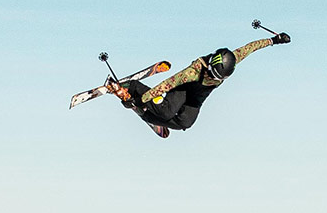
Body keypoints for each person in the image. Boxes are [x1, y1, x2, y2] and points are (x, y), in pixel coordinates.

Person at [76, 29, 291, 139]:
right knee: (166, 110)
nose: (216, 79)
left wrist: (274, 40)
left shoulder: (233, 57)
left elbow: (251, 46)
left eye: (221, 78)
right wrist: (140, 98)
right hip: (183, 89)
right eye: (214, 75)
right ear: (210, 67)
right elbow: (168, 84)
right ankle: (133, 86)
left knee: (185, 123)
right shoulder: (193, 71)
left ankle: (148, 114)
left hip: (197, 98)